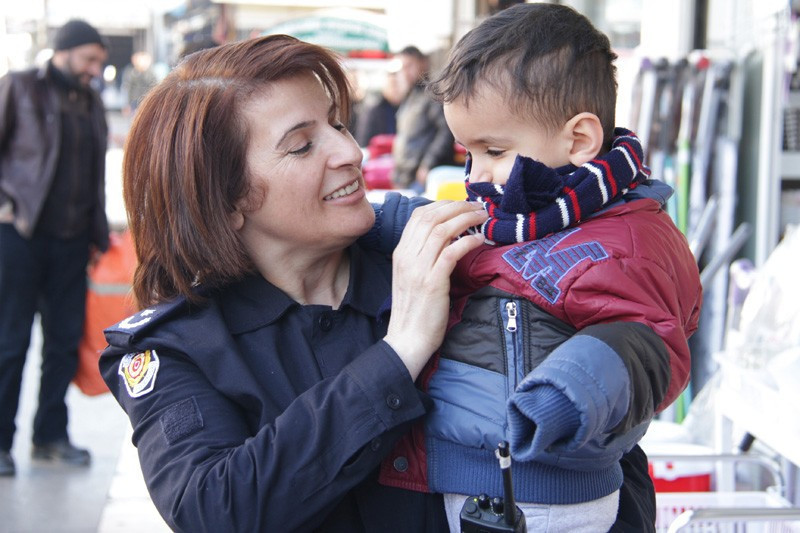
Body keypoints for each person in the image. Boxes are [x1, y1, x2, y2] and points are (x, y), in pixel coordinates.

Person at [98, 35, 488, 532]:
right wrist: (399, 354)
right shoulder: (176, 347)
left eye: (339, 123)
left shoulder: (429, 251)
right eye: (302, 145)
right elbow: (216, 510)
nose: (350, 152)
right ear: (226, 199)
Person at [375, 4, 703, 532]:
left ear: (578, 141)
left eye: (494, 150)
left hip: (543, 492)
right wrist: (371, 219)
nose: (476, 175)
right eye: (468, 152)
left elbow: (650, 345)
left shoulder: (624, 241)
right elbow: (440, 225)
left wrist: (564, 396)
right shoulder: (527, 210)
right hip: (471, 478)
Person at [0, 19, 110, 477]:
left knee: (64, 343)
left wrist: (98, 237)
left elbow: (95, 175)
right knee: (11, 342)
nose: (94, 70)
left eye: (99, 62)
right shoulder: (20, 86)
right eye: (89, 59)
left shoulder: (91, 102)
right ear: (63, 52)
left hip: (71, 245)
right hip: (19, 236)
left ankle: (50, 436)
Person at [391, 46, 456, 193]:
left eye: (410, 65)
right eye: (403, 67)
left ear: (423, 63)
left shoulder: (433, 94)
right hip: (405, 176)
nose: (406, 72)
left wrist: (428, 164)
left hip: (424, 176)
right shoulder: (410, 96)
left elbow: (446, 131)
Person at [120, 50, 157, 116]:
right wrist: (126, 104)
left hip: (147, 103)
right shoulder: (131, 73)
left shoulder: (151, 74)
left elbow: (155, 88)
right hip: (134, 103)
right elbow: (126, 88)